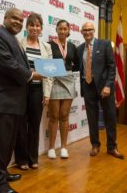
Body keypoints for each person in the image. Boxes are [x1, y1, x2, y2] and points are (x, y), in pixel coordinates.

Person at [0, 8, 43, 193]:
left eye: (21, 20)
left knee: (5, 144)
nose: (18, 22)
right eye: (14, 18)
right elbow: (8, 64)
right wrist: (31, 75)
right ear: (4, 19)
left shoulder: (12, 39)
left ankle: (1, 173)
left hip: (9, 103)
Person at [77, 22, 124, 159]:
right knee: (92, 118)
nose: (87, 32)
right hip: (88, 87)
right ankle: (95, 145)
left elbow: (111, 66)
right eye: (85, 30)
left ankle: (112, 147)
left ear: (94, 30)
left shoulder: (104, 44)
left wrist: (109, 85)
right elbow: (76, 66)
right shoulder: (80, 49)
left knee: (110, 117)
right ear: (81, 32)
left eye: (90, 29)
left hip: (105, 88)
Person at [14, 13, 53, 170]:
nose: (35, 28)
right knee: (21, 125)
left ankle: (33, 158)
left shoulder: (46, 47)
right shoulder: (18, 44)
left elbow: (49, 72)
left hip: (38, 89)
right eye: (32, 25)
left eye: (37, 25)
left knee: (35, 125)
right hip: (21, 89)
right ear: (27, 27)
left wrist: (47, 93)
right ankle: (21, 160)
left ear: (41, 28)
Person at [47, 19, 79, 159]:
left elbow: (76, 64)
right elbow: (46, 63)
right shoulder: (49, 45)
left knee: (64, 115)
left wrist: (69, 73)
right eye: (60, 28)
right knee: (54, 116)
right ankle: (51, 148)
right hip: (54, 80)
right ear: (56, 30)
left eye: (65, 29)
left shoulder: (72, 46)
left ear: (68, 31)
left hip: (68, 80)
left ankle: (64, 147)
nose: (62, 31)